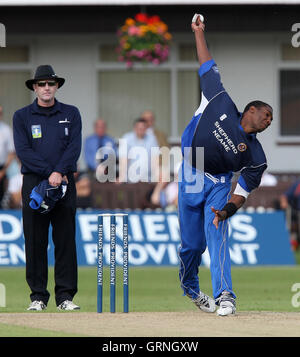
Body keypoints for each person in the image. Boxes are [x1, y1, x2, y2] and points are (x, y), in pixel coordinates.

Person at [178, 15, 273, 316]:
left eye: (271, 121)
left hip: (219, 183)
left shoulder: (256, 156)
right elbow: (206, 64)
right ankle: (190, 287)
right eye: (265, 115)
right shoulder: (218, 99)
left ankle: (225, 295)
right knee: (192, 246)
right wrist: (198, 32)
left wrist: (228, 209)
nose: (268, 121)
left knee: (217, 230)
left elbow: (242, 191)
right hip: (191, 173)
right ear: (250, 110)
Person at [13, 65, 82, 311]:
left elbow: (74, 148)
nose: (46, 88)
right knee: (35, 242)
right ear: (34, 87)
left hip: (64, 183)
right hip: (34, 183)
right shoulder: (22, 116)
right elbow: (24, 152)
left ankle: (65, 297)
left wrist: (59, 173)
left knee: (65, 241)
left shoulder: (71, 113)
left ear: (56, 87)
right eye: (41, 84)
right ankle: (38, 297)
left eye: (50, 84)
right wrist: (49, 173)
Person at [118, 118, 160, 183]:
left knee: (163, 176)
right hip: (130, 178)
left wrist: (156, 176)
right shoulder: (127, 138)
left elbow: (155, 159)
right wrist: (122, 176)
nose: (140, 130)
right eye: (138, 128)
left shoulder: (152, 139)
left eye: (143, 128)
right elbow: (123, 159)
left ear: (146, 129)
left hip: (148, 178)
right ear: (134, 128)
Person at [0, 105, 15, 208]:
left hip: (2, 168)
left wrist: (2, 171)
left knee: (1, 196)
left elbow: (11, 152)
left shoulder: (6, 130)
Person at [280, 179, 300, 251]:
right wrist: (284, 202)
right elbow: (285, 195)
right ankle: (293, 245)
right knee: (291, 226)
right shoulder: (298, 184)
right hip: (297, 211)